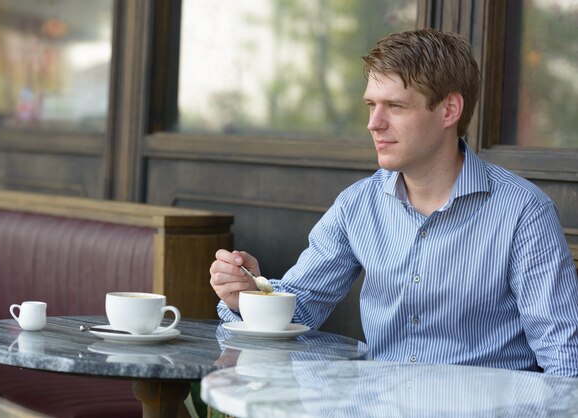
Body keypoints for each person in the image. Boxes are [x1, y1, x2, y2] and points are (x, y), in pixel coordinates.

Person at [209, 28, 578, 376]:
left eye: (395, 107)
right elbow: (301, 306)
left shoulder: (523, 211)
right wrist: (249, 295)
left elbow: (564, 361)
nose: (374, 123)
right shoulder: (358, 205)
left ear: (449, 110)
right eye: (371, 105)